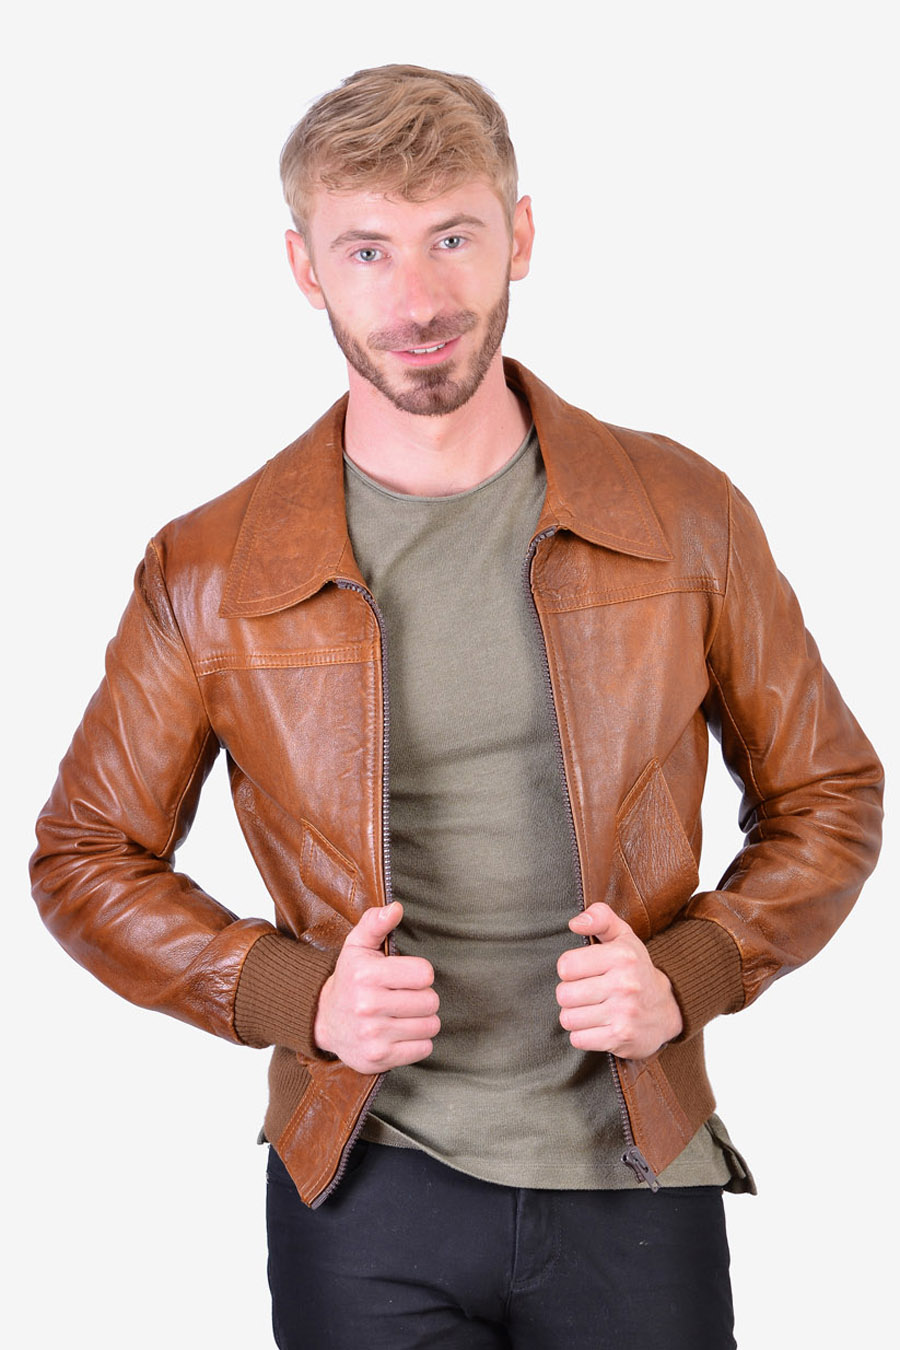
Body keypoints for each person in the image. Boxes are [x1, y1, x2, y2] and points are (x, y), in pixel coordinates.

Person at [31, 64, 883, 1349]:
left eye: (453, 238)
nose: (419, 300)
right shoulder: (209, 568)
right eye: (368, 249)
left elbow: (829, 792)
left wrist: (692, 974)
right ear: (305, 267)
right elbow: (85, 854)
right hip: (365, 1187)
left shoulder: (682, 513)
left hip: (636, 1171)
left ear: (520, 236)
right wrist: (295, 997)